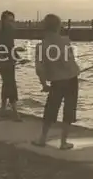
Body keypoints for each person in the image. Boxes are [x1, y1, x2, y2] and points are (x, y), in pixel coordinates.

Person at [34, 14, 80, 150]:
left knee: (50, 109)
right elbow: (70, 62)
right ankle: (64, 142)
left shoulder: (41, 47)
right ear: (58, 27)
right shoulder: (66, 42)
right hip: (71, 79)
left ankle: (42, 139)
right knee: (69, 110)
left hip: (56, 82)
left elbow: (39, 69)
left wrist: (43, 85)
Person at [0, 10, 22, 121]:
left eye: (13, 21)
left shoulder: (10, 32)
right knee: (10, 84)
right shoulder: (1, 32)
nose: (12, 23)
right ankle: (14, 111)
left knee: (7, 84)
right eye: (9, 21)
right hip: (2, 61)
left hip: (9, 61)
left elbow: (10, 47)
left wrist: (17, 57)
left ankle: (3, 109)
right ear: (3, 20)